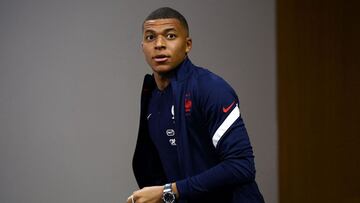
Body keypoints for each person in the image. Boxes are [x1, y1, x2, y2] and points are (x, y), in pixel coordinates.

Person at [127, 7, 264, 203]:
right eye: (150, 37)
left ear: (187, 45)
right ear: (142, 47)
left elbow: (242, 166)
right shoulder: (152, 95)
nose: (159, 44)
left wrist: (169, 191)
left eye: (170, 36)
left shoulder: (210, 88)